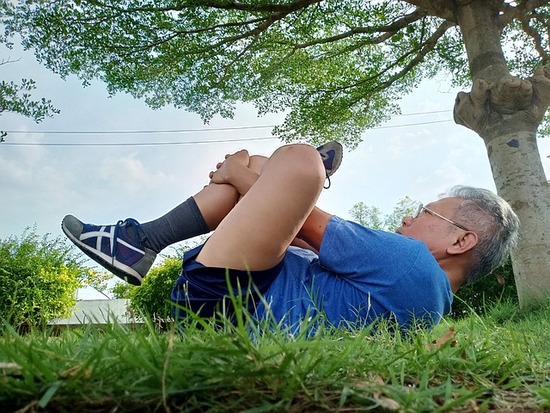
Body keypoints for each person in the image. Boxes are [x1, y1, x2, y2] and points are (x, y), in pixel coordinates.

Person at [62, 142, 519, 332]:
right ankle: (140, 241)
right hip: (233, 303)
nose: (405, 220)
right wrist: (255, 186)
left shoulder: (412, 263)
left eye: (424, 213)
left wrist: (241, 173)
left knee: (296, 163)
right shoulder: (428, 307)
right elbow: (298, 240)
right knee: (268, 177)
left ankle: (144, 238)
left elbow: (305, 223)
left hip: (237, 296)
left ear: (461, 242)